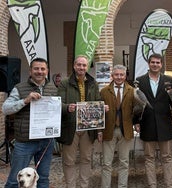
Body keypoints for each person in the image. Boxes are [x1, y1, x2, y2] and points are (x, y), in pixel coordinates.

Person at [2, 57, 58, 188]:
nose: (39, 71)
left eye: (42, 69)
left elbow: (57, 110)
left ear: (47, 71)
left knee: (43, 178)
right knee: (15, 179)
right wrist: (25, 100)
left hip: (46, 141)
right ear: (30, 71)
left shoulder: (53, 88)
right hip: (25, 142)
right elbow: (6, 108)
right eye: (36, 68)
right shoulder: (19, 88)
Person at [57, 55, 102, 188]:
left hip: (88, 127)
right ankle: (70, 186)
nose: (82, 67)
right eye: (79, 65)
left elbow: (97, 102)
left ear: (87, 67)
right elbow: (58, 103)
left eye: (84, 65)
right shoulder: (65, 83)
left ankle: (84, 185)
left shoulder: (93, 83)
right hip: (71, 127)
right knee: (69, 160)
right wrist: (67, 107)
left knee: (86, 159)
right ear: (74, 66)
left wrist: (101, 108)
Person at [134, 53, 172, 188]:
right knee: (149, 157)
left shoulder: (168, 80)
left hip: (164, 123)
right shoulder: (140, 81)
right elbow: (136, 104)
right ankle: (152, 185)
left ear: (161, 64)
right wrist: (136, 121)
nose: (155, 65)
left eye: (158, 62)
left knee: (167, 157)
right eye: (153, 62)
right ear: (148, 63)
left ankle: (169, 185)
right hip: (147, 124)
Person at [99, 64, 136, 188]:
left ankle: (122, 186)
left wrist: (136, 123)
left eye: (122, 75)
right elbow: (98, 114)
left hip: (126, 131)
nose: (119, 77)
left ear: (125, 76)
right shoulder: (104, 91)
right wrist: (99, 130)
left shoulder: (132, 91)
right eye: (116, 74)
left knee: (124, 162)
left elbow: (135, 111)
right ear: (112, 76)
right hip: (109, 130)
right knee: (106, 163)